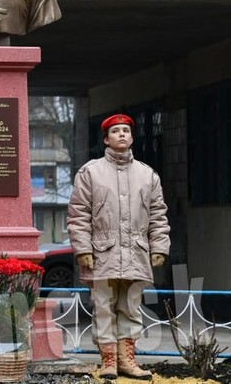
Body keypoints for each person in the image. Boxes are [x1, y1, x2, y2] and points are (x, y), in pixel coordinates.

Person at [67, 114, 170, 380]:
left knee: (131, 307)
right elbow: (79, 214)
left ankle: (127, 360)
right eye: (116, 131)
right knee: (104, 306)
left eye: (126, 130)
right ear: (106, 139)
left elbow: (158, 214)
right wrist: (83, 249)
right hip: (102, 252)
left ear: (132, 137)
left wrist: (159, 246)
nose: (122, 134)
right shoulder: (90, 172)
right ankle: (109, 360)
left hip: (136, 252)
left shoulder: (148, 175)